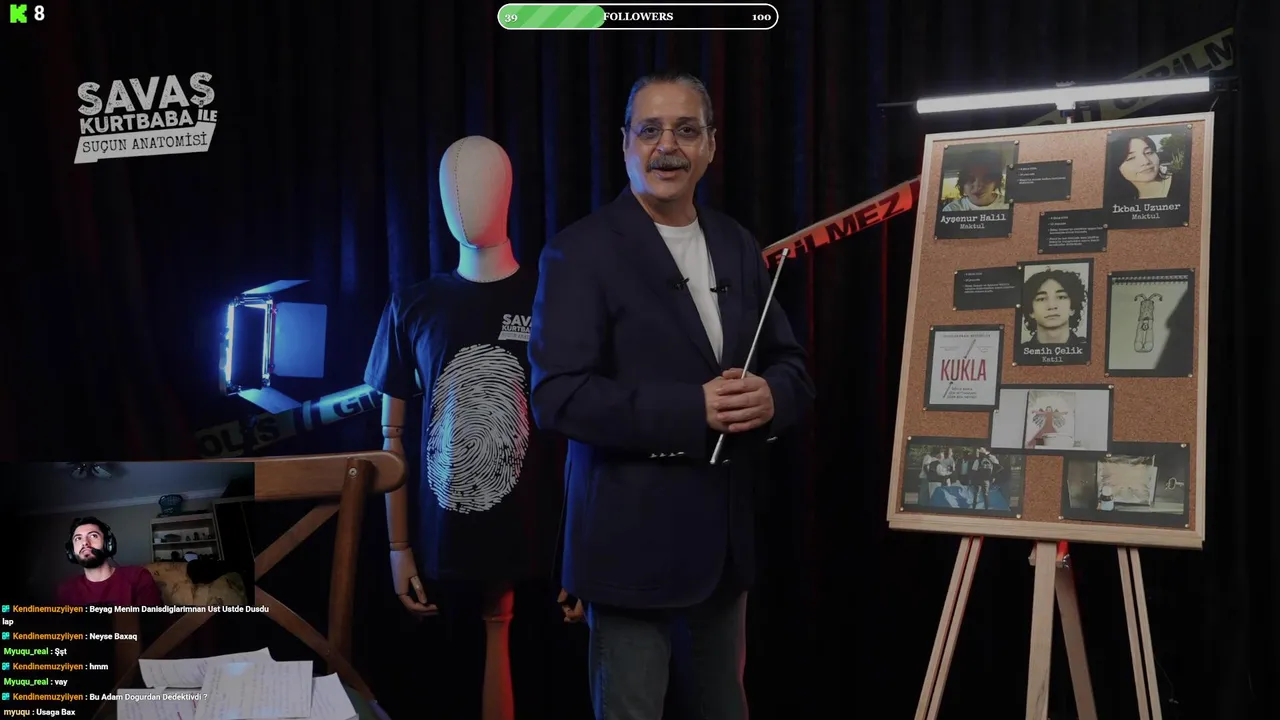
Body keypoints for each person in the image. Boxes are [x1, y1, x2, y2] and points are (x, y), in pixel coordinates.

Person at [528, 71, 814, 720]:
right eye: (650, 130)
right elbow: (556, 396)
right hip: (627, 547)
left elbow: (791, 366)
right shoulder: (578, 252)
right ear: (625, 144)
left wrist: (772, 397)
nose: (667, 146)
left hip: (725, 547)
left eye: (686, 130)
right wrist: (693, 409)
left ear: (710, 146)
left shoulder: (736, 244)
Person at [56, 517, 161, 606]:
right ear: (71, 551)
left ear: (108, 544)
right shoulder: (66, 590)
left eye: (93, 536)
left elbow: (154, 621)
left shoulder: (138, 577)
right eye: (78, 539)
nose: (85, 543)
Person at [1105, 131, 1188, 202]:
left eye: (1149, 152)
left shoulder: (1185, 184)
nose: (1145, 162)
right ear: (1116, 166)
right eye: (1131, 158)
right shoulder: (1117, 201)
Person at [1021, 268, 1088, 346]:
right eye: (1041, 299)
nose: (1052, 306)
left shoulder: (1088, 347)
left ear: (1072, 308)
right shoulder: (1020, 350)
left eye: (1061, 297)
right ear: (1031, 311)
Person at [941, 149, 1009, 211]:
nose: (978, 185)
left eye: (986, 178)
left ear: (996, 182)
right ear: (962, 183)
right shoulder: (951, 210)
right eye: (970, 179)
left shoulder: (1008, 206)